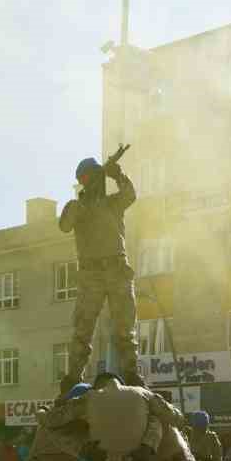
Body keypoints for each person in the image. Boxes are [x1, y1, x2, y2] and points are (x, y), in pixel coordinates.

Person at [58, 154, 141, 392]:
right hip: (91, 275)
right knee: (83, 330)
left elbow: (131, 195)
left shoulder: (113, 203)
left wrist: (118, 174)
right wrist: (82, 203)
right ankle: (73, 376)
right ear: (83, 182)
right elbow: (64, 225)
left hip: (116, 270)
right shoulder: (76, 207)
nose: (96, 182)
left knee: (125, 328)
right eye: (89, 178)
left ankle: (132, 374)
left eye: (97, 176)